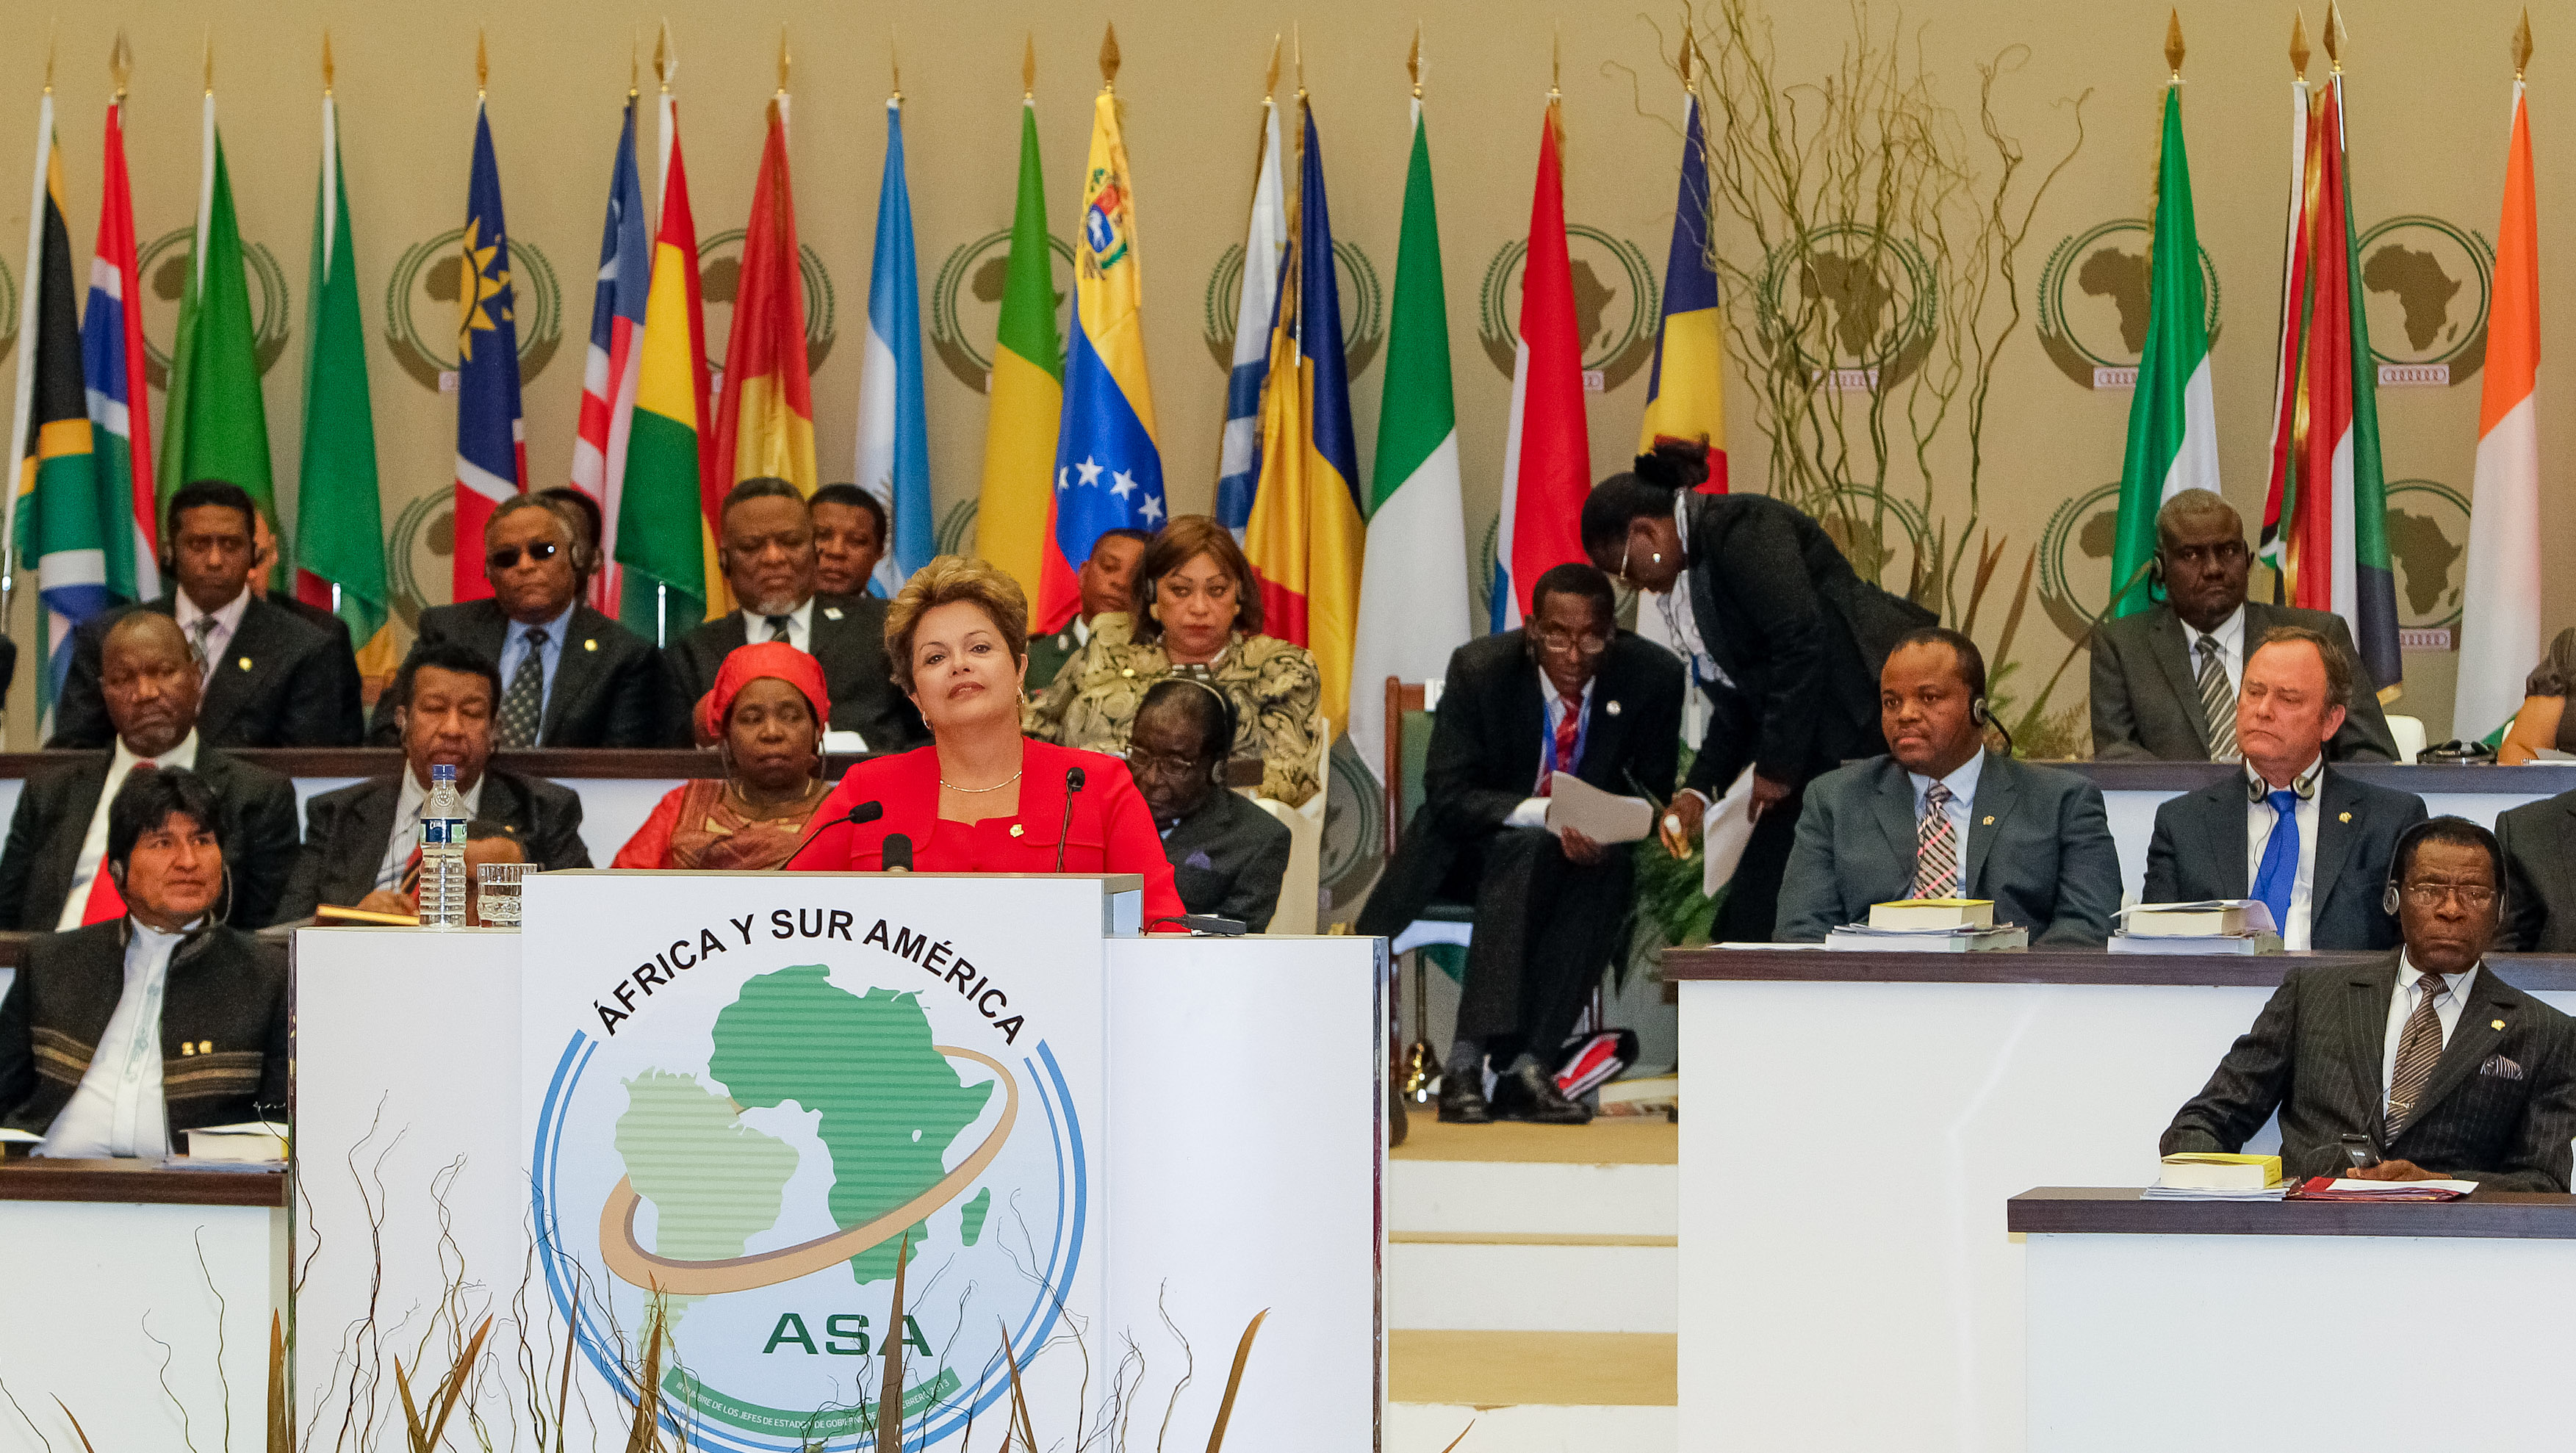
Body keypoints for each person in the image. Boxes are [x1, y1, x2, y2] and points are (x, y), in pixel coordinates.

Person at [1356, 563, 1684, 1125]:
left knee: (1606, 874)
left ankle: (1527, 1067)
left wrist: (1606, 833)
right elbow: (1448, 795)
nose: (1575, 656)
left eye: (1593, 638)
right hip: (1468, 853)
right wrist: (1545, 815)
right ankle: (1470, 1061)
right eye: (1558, 636)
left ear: (1614, 630)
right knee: (1525, 849)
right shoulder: (1481, 668)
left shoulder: (1652, 676)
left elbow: (1648, 790)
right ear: (1532, 629)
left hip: (1583, 860)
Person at [1581, 440, 1935, 941]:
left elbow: (1801, 641)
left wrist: (1776, 768)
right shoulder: (1698, 561)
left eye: (1626, 571)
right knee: (1758, 916)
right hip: (1815, 739)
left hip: (1859, 728)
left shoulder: (1742, 529)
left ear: (1647, 531)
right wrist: (1698, 792)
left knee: (1777, 915)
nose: (1636, 586)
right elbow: (1744, 698)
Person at [2161, 817, 2576, 1191]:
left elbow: (2544, 1182)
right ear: (2394, 900)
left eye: (2474, 893)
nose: (2452, 910)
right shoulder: (2313, 995)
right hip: (2306, 1239)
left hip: (2449, 1251)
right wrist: (2252, 1202)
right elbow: (2201, 1125)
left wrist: (2442, 1183)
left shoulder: (2545, 1033)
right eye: (2430, 889)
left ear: (2501, 909)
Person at [791, 555, 1182, 927]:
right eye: (935, 658)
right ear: (915, 696)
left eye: (979, 648)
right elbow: (789, 918)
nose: (960, 664)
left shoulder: (1096, 785)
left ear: (1019, 670)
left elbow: (1163, 928)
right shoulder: (867, 793)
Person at [0, 769, 291, 1155]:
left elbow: (281, 1128)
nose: (188, 861)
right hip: (52, 1184)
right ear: (118, 870)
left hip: (202, 1200)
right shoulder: (51, 962)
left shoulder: (269, 975)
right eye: (162, 843)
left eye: (202, 841)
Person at [1775, 627, 2120, 945]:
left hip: (2008, 999)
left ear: (1978, 709)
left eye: (1928, 698)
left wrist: (2004, 988)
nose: (1906, 714)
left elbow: (2087, 929)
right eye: (1891, 702)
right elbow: (1802, 932)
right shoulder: (1835, 800)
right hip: (1875, 996)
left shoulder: (2062, 802)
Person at [0, 613, 298, 931]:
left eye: (164, 672)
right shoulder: (50, 792)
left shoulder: (257, 797)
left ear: (197, 677)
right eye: (124, 679)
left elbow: (263, 939)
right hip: (56, 965)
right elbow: (6, 916)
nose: (145, 692)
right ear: (104, 692)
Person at [2143, 625, 2426, 951]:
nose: (2263, 710)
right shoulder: (2182, 823)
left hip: (2338, 997)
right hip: (2219, 997)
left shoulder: (2391, 822)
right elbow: (2155, 954)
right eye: (2253, 692)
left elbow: (2410, 954)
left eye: (2288, 698)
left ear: (2331, 721)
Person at [280, 641, 591, 921]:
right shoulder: (337, 813)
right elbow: (285, 934)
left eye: (471, 713)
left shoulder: (545, 811)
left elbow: (586, 921)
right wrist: (353, 923)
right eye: (434, 709)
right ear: (402, 721)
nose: (452, 729)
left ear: (494, 730)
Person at [1028, 516, 1323, 807]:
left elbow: (1291, 775)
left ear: (1238, 597)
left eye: (1217, 591)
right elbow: (1035, 728)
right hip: (1080, 815)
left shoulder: (1278, 667)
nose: (1199, 608)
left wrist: (1190, 779)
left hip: (1205, 836)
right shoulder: (1109, 646)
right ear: (1152, 597)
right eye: (1181, 590)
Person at [2089, 488, 2397, 762]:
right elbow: (2117, 754)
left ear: (2248, 560)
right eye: (2192, 554)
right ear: (2160, 568)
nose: (2213, 569)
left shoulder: (2317, 636)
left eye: (2228, 551)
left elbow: (2372, 753)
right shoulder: (2123, 646)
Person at [50, 480, 362, 748]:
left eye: (230, 545)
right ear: (170, 551)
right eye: (198, 544)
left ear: (254, 553)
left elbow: (308, 771)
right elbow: (76, 755)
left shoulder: (304, 648)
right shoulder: (108, 636)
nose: (214, 560)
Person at [370, 494, 665, 748]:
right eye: (506, 558)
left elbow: (624, 769)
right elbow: (388, 731)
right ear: (489, 572)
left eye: (543, 551)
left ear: (575, 557)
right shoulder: (448, 631)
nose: (525, 566)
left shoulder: (625, 656)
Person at [663, 478, 923, 751]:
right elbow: (664, 761)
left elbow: (936, 737)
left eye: (790, 542)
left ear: (814, 553)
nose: (774, 558)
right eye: (752, 546)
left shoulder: (887, 629)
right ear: (725, 563)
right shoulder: (690, 655)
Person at [616, 643, 835, 870]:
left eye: (790, 716)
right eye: (752, 719)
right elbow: (621, 890)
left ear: (817, 730)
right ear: (727, 734)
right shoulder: (682, 806)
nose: (772, 733)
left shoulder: (845, 812)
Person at [1130, 678, 1292, 931]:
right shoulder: (1098, 811)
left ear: (1216, 768)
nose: (1151, 778)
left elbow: (1231, 946)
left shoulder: (1258, 840)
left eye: (1175, 765)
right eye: (1140, 754)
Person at [248, 508, 369, 722]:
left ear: (274, 551)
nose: (250, 574)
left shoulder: (324, 636)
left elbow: (342, 746)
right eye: (240, 561)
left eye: (258, 558)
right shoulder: (171, 625)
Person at [1025, 527, 1150, 691]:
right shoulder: (1032, 657)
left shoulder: (1155, 662)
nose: (1120, 583)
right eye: (1109, 567)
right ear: (1083, 574)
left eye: (1136, 576)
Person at [810, 483, 889, 598]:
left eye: (856, 541)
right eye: (822, 536)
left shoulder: (895, 616)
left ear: (879, 552)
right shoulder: (775, 611)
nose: (836, 551)